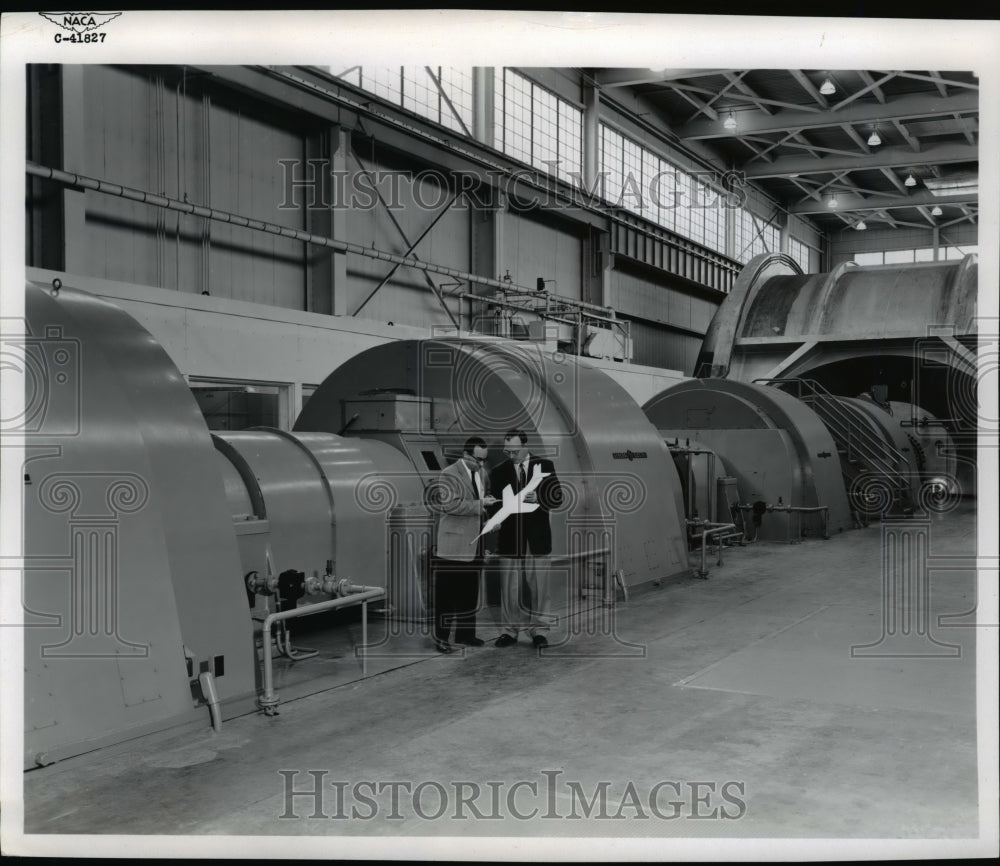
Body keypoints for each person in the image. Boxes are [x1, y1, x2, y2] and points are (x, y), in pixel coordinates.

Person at [489, 429, 561, 649]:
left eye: (514, 451)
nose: (510, 455)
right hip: (510, 539)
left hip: (536, 540)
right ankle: (510, 632)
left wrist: (539, 497)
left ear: (525, 446)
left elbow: (557, 497)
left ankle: (539, 631)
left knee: (539, 588)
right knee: (509, 589)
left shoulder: (545, 466)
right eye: (507, 451)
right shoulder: (498, 471)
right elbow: (496, 504)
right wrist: (494, 519)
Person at [428, 436, 495, 653]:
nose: (482, 464)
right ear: (465, 455)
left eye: (484, 459)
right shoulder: (449, 474)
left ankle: (466, 634)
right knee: (446, 596)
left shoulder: (482, 474)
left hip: (474, 544)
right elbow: (450, 505)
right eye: (478, 459)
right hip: (452, 546)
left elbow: (478, 505)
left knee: (469, 592)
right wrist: (480, 504)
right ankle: (441, 638)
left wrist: (489, 518)